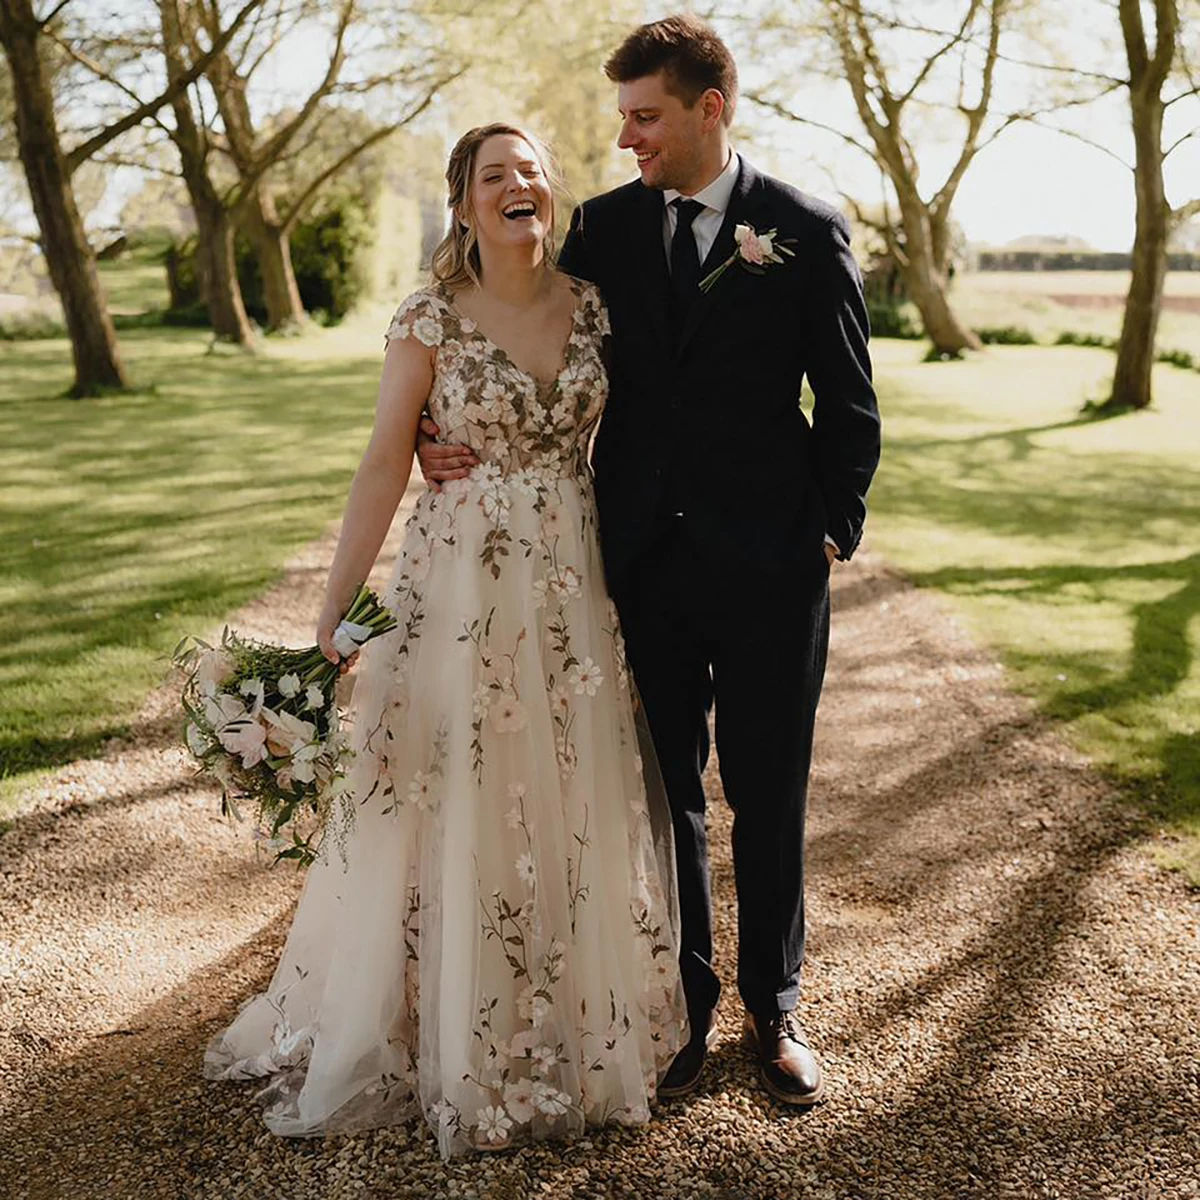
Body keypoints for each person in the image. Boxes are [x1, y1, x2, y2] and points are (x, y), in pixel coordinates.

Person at [418, 16, 881, 1108]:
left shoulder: (804, 229)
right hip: (643, 566)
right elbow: (534, 335)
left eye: (645, 117)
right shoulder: (607, 231)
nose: (626, 137)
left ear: (708, 110)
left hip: (774, 569)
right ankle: (684, 1008)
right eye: (623, 117)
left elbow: (851, 406)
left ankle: (775, 1010)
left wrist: (829, 528)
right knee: (665, 794)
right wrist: (447, 430)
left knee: (767, 793)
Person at [203, 123, 688, 1160]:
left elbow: (645, 433)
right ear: (464, 204)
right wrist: (333, 615)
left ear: (550, 195)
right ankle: (445, 1027)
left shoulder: (593, 306)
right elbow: (384, 462)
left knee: (564, 790)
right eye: (493, 174)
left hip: (571, 593)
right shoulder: (430, 318)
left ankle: (562, 1016)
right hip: (458, 586)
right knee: (455, 789)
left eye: (531, 170)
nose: (519, 184)